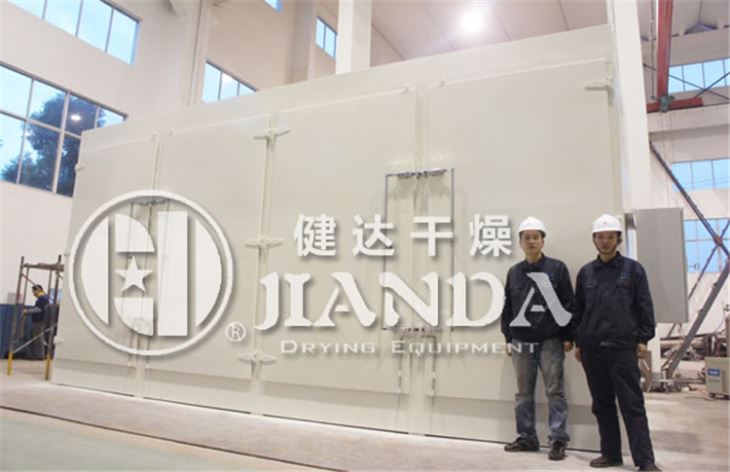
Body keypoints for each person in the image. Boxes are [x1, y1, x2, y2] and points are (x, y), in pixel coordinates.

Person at [573, 214, 660, 472]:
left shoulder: (633, 270)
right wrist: (579, 342)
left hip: (622, 349)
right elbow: (579, 311)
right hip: (592, 349)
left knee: (632, 404)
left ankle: (645, 461)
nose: (605, 241)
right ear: (594, 240)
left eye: (610, 237)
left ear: (618, 239)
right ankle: (610, 454)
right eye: (600, 237)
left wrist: (643, 338)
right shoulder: (586, 273)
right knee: (602, 404)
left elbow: (645, 306)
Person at [501, 216, 575, 461]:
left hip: (551, 338)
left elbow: (568, 303)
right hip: (521, 340)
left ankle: (558, 440)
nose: (531, 241)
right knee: (523, 393)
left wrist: (568, 335)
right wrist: (508, 337)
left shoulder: (557, 269)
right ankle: (527, 438)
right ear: (520, 242)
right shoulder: (514, 272)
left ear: (543, 241)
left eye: (535, 237)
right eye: (527, 238)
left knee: (555, 391)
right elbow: (508, 307)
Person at [23, 284, 49, 360]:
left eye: (34, 291)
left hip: (39, 321)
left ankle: (40, 355)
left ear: (38, 290)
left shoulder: (42, 298)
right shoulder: (42, 298)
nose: (33, 293)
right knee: (37, 338)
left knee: (38, 338)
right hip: (38, 320)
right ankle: (38, 354)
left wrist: (26, 311)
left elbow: (38, 309)